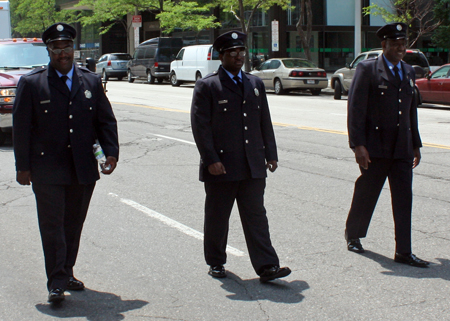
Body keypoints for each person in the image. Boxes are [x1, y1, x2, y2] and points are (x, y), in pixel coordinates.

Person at [13, 22, 119, 303]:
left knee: (73, 224)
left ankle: (67, 270)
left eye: (67, 47)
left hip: (82, 167)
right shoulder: (32, 83)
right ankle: (56, 282)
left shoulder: (91, 81)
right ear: (48, 50)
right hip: (47, 169)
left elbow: (105, 121)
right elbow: (21, 128)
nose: (63, 53)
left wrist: (111, 153)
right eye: (56, 48)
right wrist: (22, 167)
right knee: (52, 226)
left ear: (74, 49)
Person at [190, 31, 291, 282]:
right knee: (218, 217)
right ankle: (215, 261)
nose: (238, 56)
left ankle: (267, 265)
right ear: (221, 56)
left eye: (241, 51)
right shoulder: (208, 85)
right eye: (232, 52)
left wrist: (271, 153)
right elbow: (200, 127)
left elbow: (263, 121)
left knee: (257, 216)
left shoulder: (254, 83)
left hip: (252, 164)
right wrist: (211, 159)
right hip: (222, 165)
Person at [345, 23, 429, 268]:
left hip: (402, 148)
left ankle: (403, 251)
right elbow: (356, 110)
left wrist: (416, 144)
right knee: (367, 193)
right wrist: (357, 145)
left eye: (403, 44)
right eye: (395, 44)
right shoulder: (368, 69)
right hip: (375, 148)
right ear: (384, 45)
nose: (400, 48)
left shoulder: (408, 71)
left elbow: (410, 112)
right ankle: (354, 234)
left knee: (404, 199)